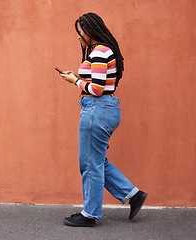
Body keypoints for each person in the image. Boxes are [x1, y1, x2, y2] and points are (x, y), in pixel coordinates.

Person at [58, 13, 147, 227]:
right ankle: (132, 195)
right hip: (105, 109)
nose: (79, 37)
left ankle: (90, 214)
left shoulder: (99, 51)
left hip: (97, 109)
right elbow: (101, 83)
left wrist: (74, 81)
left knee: (90, 164)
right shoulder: (106, 50)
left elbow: (96, 89)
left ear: (90, 31)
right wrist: (79, 79)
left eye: (80, 33)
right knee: (96, 161)